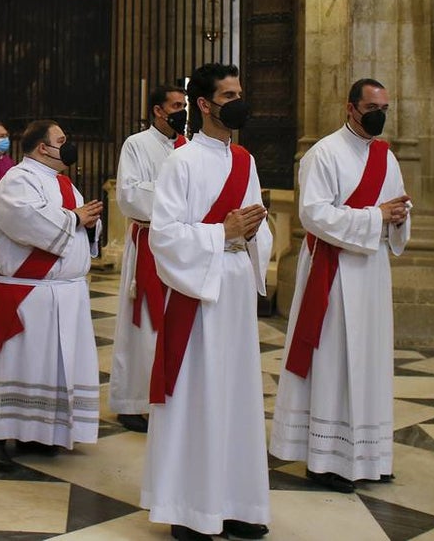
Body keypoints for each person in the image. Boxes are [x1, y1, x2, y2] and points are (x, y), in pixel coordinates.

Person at [140, 63, 272, 541]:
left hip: (234, 286)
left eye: (240, 91)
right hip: (198, 293)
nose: (238, 100)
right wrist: (224, 232)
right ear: (204, 103)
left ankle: (237, 502)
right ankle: (190, 507)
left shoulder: (245, 161)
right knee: (198, 393)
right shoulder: (182, 161)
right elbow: (165, 236)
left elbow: (257, 223)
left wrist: (254, 233)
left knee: (236, 393)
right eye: (229, 93)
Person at [270, 79, 411, 493]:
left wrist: (400, 216)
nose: (379, 113)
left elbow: (397, 204)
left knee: (370, 362)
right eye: (371, 105)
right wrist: (376, 217)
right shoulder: (323, 154)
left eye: (384, 105)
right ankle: (324, 460)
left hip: (372, 272)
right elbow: (313, 215)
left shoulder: (387, 156)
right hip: (333, 274)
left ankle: (370, 455)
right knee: (334, 362)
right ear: (350, 108)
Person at [0, 119, 103, 471]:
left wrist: (88, 222)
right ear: (43, 147)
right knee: (13, 363)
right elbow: (25, 220)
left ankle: (36, 431)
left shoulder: (63, 182)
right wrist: (75, 218)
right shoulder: (17, 179)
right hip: (26, 293)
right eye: (62, 140)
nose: (69, 145)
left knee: (47, 367)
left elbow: (74, 222)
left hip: (62, 292)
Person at [109, 84, 187, 433]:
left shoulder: (190, 147)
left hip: (184, 244)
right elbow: (129, 195)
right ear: (158, 110)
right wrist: (177, 199)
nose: (181, 111)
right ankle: (133, 401)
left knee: (177, 320)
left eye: (184, 104)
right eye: (175, 105)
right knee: (142, 325)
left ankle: (171, 393)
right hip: (150, 243)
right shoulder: (136, 145)